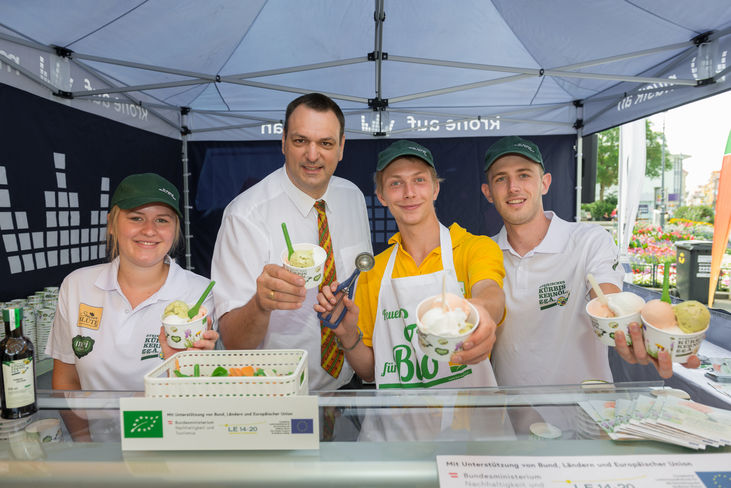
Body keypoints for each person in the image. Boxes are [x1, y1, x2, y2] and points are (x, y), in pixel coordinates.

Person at [480, 136, 698, 386]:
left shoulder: (589, 240)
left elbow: (608, 301)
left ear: (545, 183)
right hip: (510, 416)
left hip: (587, 415)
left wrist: (638, 333)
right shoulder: (484, 253)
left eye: (524, 175)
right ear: (487, 192)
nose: (513, 187)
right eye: (501, 179)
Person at [211, 93, 372, 392]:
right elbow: (233, 343)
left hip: (349, 388)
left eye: (325, 143)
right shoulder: (244, 215)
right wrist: (260, 305)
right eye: (300, 141)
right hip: (278, 396)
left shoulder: (352, 197)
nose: (313, 155)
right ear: (283, 141)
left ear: (341, 147)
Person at [316, 140, 506, 388]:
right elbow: (371, 372)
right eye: (396, 183)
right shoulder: (373, 271)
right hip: (396, 423)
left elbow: (491, 293)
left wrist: (481, 310)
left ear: (435, 189)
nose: (409, 192)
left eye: (419, 180)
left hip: (468, 421)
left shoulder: (474, 248)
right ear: (381, 196)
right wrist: (347, 334)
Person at [47, 172, 219, 392]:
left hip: (171, 425)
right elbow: (66, 380)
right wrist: (83, 429)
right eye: (136, 218)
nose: (149, 230)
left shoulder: (200, 293)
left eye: (162, 220)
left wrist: (189, 366)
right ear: (111, 224)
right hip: (94, 428)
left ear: (175, 229)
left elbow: (198, 394)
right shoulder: (76, 285)